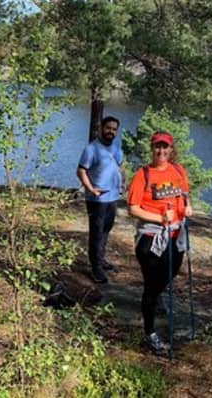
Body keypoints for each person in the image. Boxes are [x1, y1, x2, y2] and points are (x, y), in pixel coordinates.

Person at [127, 131, 192, 355]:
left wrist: (187, 207)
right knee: (151, 286)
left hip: (175, 234)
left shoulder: (178, 170)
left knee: (171, 273)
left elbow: (183, 195)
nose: (161, 151)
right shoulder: (142, 174)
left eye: (165, 147)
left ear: (171, 149)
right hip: (151, 235)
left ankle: (155, 297)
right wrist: (159, 218)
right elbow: (133, 208)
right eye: (157, 147)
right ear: (152, 148)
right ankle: (149, 332)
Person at [77, 116, 124, 284]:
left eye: (114, 129)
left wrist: (121, 183)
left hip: (112, 197)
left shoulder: (117, 148)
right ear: (101, 129)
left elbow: (119, 166)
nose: (111, 131)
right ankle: (95, 267)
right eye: (108, 128)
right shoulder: (91, 149)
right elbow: (81, 171)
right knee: (96, 233)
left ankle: (101, 258)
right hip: (97, 199)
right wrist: (90, 188)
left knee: (106, 229)